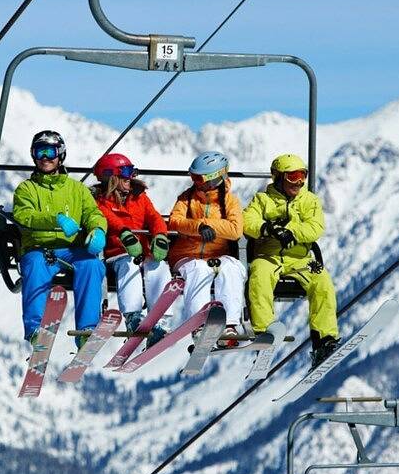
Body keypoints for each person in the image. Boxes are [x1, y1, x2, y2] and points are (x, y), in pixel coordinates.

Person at [243, 153, 340, 366]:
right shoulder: (263, 200)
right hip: (268, 256)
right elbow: (248, 220)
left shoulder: (309, 200)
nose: (299, 182)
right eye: (293, 176)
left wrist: (290, 232)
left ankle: (324, 339)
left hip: (300, 259)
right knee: (259, 277)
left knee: (321, 281)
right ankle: (264, 334)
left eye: (302, 175)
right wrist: (268, 229)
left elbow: (316, 227)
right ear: (278, 177)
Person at [13, 130, 107, 350]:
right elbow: (24, 215)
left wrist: (97, 230)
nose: (45, 157)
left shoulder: (76, 189)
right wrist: (55, 220)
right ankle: (36, 329)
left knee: (92, 265)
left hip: (71, 249)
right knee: (35, 266)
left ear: (60, 154)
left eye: (50, 152)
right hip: (40, 249)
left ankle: (86, 330)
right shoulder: (27, 189)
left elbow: (93, 213)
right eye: (39, 152)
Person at [91, 152, 172, 346]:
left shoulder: (139, 197)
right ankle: (133, 317)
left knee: (158, 266)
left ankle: (161, 320)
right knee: (129, 264)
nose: (131, 177)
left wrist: (160, 235)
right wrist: (124, 234)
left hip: (143, 253)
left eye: (131, 171)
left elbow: (154, 217)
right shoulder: (100, 201)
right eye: (126, 172)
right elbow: (110, 220)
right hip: (116, 256)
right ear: (111, 176)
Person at [168, 151, 246, 347]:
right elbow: (175, 222)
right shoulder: (187, 198)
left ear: (214, 177)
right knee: (199, 269)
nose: (195, 182)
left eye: (198, 178)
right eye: (192, 177)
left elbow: (235, 230)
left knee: (233, 267)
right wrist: (198, 227)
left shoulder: (230, 201)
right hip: (186, 256)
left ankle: (229, 325)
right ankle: (199, 324)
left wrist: (210, 225)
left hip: (217, 256)